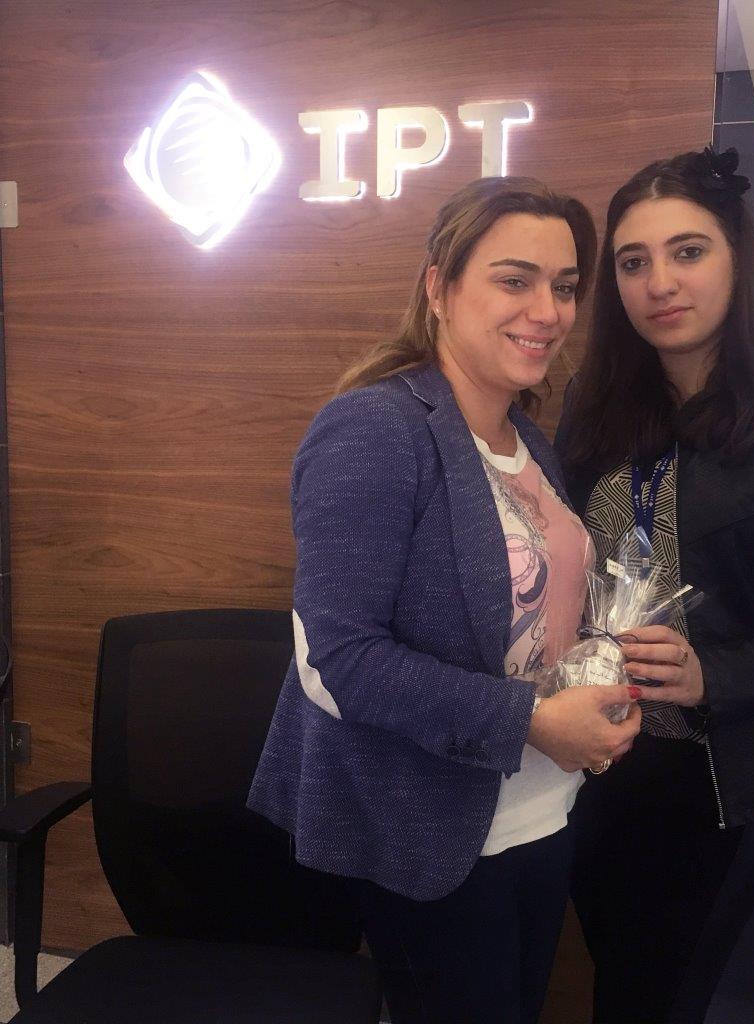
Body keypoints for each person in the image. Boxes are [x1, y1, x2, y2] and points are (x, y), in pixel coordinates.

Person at [248, 176, 643, 1024]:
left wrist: (592, 672)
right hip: (433, 829)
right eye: (514, 280)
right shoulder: (375, 429)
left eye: (564, 286)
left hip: (544, 807)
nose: (547, 311)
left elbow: (523, 616)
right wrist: (532, 721)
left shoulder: (525, 437)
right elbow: (343, 659)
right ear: (438, 286)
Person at [554, 148, 754, 1024]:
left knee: (664, 993)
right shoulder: (593, 405)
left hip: (722, 767)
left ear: (739, 260)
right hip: (595, 753)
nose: (659, 282)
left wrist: (713, 674)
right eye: (633, 262)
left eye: (688, 251)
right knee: (614, 971)